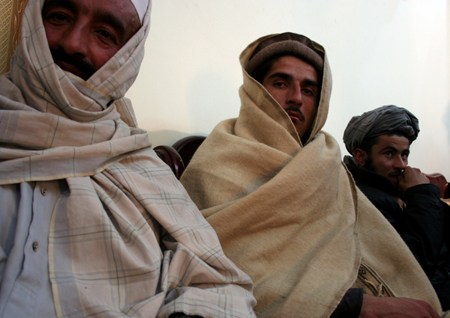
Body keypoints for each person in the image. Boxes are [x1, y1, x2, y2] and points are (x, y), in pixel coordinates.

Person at [0, 0, 257, 317]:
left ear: (128, 56)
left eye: (105, 34)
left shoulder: (143, 170)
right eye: (59, 17)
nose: (73, 43)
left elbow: (219, 287)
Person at [180, 32, 446, 317]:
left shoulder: (325, 159)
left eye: (308, 90)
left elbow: (366, 253)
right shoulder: (217, 161)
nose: (296, 97)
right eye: (281, 83)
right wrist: (356, 306)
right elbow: (214, 272)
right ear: (256, 90)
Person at [343, 105, 450, 310]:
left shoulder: (394, 189)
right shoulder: (362, 198)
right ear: (361, 156)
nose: (401, 164)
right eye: (389, 154)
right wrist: (422, 194)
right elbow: (414, 264)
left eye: (404, 155)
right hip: (428, 299)